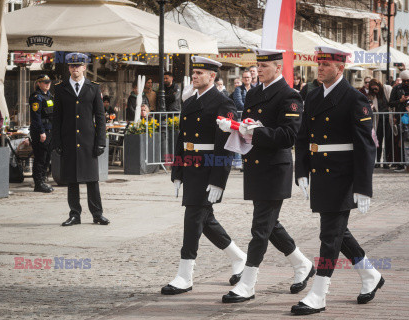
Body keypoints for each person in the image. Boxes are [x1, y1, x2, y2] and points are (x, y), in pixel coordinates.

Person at [218, 49, 314, 304]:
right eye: (257, 66)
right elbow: (250, 128)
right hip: (256, 166)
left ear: (278, 68)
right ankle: (302, 264)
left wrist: (253, 131)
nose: (258, 70)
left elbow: (288, 136)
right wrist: (237, 128)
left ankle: (247, 283)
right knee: (270, 226)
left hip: (274, 168)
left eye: (265, 66)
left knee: (260, 228)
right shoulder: (253, 93)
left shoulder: (289, 96)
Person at [292, 46, 383, 315]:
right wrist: (301, 171)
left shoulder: (355, 98)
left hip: (343, 175)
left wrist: (364, 187)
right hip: (321, 173)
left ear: (340, 68)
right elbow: (303, 136)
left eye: (326, 65)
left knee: (329, 234)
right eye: (319, 64)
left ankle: (319, 294)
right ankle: (370, 275)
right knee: (337, 232)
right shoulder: (313, 94)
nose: (320, 68)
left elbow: (367, 146)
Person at [161, 56, 247, 296]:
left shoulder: (223, 103)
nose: (195, 76)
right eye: (194, 72)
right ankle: (240, 258)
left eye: (199, 72)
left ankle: (185, 275)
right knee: (205, 220)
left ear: (212, 77)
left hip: (209, 167)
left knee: (193, 217)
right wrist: (177, 171)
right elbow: (182, 139)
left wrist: (219, 179)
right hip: (190, 166)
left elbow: (227, 144)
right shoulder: (189, 102)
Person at [52, 53, 110, 227]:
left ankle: (97, 214)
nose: (75, 69)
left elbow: (100, 118)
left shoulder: (93, 88)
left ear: (85, 67)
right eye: (72, 66)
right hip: (68, 140)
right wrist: (57, 142)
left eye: (78, 66)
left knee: (92, 180)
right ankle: (75, 214)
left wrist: (101, 141)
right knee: (72, 179)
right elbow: (57, 118)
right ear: (69, 68)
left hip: (88, 141)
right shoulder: (61, 88)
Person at [29, 74, 54, 193]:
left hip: (49, 130)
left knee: (47, 156)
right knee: (40, 157)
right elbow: (36, 117)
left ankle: (43, 180)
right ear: (38, 83)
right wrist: (41, 132)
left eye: (48, 82)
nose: (47, 84)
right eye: (44, 82)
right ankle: (38, 183)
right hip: (41, 131)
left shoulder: (49, 96)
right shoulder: (36, 97)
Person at [368, 79, 391, 169]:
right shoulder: (371, 95)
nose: (374, 90)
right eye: (372, 89)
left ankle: (386, 161)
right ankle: (377, 161)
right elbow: (369, 104)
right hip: (378, 120)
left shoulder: (387, 89)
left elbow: (391, 102)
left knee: (388, 141)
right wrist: (371, 107)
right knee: (378, 141)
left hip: (388, 119)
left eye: (376, 88)